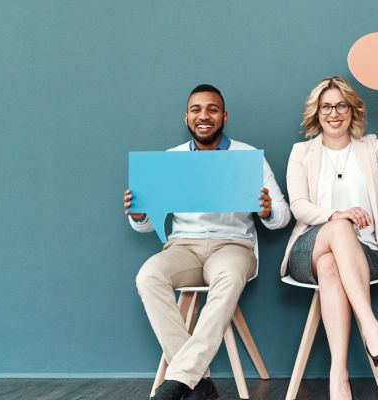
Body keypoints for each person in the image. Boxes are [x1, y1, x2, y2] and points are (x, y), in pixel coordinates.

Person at [123, 84, 290, 400]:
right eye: (196, 109)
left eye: (212, 109)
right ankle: (197, 381)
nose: (204, 116)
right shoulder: (170, 159)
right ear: (186, 117)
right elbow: (145, 227)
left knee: (228, 277)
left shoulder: (247, 156)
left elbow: (283, 215)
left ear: (224, 116)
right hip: (183, 246)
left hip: (233, 245)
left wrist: (267, 210)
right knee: (148, 275)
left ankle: (180, 378)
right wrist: (139, 215)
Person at [281, 75, 378, 400]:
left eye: (341, 105)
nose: (334, 113)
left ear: (352, 109)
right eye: (326, 106)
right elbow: (299, 206)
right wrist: (336, 216)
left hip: (365, 254)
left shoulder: (368, 147)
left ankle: (338, 376)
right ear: (316, 113)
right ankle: (371, 328)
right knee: (338, 233)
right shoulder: (302, 152)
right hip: (309, 250)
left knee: (333, 266)